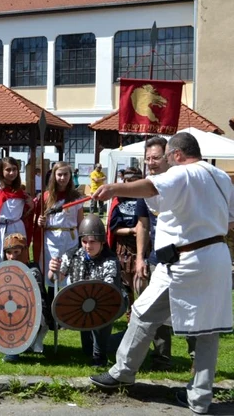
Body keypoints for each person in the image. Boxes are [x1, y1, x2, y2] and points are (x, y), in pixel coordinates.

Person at [89, 132, 234, 415]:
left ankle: (123, 371)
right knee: (208, 331)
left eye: (166, 156)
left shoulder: (184, 173)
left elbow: (150, 187)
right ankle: (200, 400)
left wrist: (114, 188)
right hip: (215, 258)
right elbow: (229, 222)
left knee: (143, 313)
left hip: (185, 261)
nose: (164, 162)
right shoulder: (222, 178)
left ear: (177, 154)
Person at [134, 136, 195, 371]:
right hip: (156, 260)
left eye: (156, 157)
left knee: (189, 309)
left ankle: (196, 359)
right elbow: (143, 225)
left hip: (184, 260)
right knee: (154, 311)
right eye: (148, 158)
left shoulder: (183, 184)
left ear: (169, 157)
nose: (151, 162)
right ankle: (161, 358)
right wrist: (140, 258)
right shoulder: (145, 186)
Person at [49, 214, 122, 367]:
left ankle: (100, 356)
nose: (88, 246)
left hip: (108, 305)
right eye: (85, 241)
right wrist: (53, 270)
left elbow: (110, 295)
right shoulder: (73, 254)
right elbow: (54, 278)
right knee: (87, 350)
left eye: (93, 241)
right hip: (84, 306)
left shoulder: (110, 261)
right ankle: (123, 338)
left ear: (102, 241)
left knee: (98, 346)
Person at [33, 162, 83, 299]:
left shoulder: (76, 197)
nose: (62, 178)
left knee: (68, 272)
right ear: (54, 176)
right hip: (51, 240)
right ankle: (50, 306)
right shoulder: (46, 196)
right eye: (59, 174)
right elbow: (40, 221)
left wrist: (81, 240)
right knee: (52, 272)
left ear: (70, 176)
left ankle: (67, 305)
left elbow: (80, 222)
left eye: (65, 174)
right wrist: (40, 222)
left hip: (70, 238)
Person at [0, 233, 51, 362]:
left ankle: (14, 350)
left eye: (16, 252)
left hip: (33, 315)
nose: (12, 256)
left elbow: (31, 302)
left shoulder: (33, 271)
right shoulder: (4, 271)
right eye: (9, 252)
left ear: (24, 251)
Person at [0, 156, 33, 275]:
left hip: (17, 228)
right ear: (1, 171)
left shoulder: (20, 191)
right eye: (8, 170)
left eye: (14, 169)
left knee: (19, 260)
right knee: (0, 260)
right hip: (0, 230)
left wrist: (31, 204)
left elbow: (27, 213)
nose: (12, 173)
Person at [107, 166, 142, 320]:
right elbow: (113, 228)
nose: (132, 186)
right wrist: (131, 231)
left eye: (136, 182)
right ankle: (130, 313)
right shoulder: (118, 201)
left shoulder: (146, 199)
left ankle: (141, 313)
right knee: (127, 284)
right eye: (129, 182)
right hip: (124, 247)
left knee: (141, 284)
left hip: (143, 246)